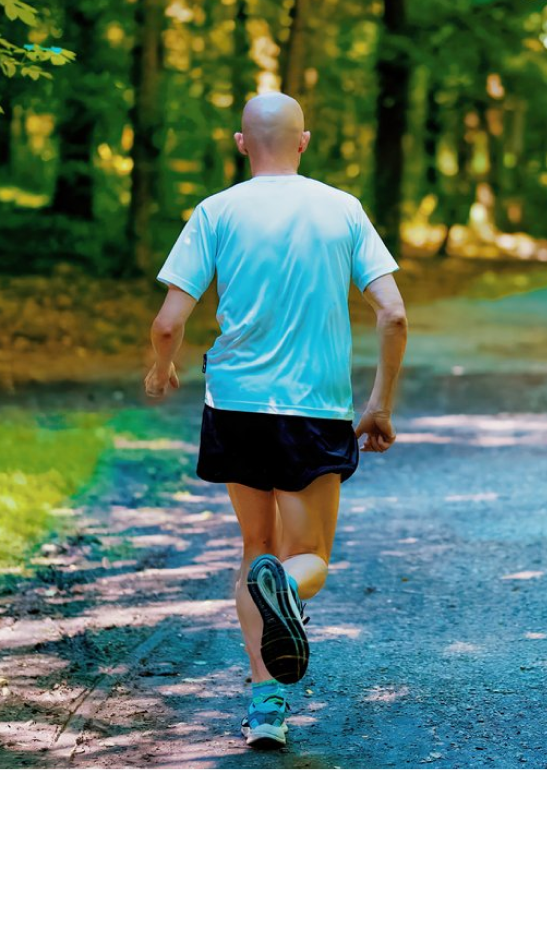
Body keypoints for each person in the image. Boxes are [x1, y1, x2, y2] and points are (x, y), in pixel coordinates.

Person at [142, 92, 409, 751]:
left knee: (253, 551)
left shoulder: (216, 211)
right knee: (306, 557)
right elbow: (394, 313)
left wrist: (160, 367)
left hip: (234, 404)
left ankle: (266, 708)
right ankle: (285, 589)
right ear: (304, 140)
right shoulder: (342, 210)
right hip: (314, 407)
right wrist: (379, 404)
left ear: (241, 143)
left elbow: (170, 320)